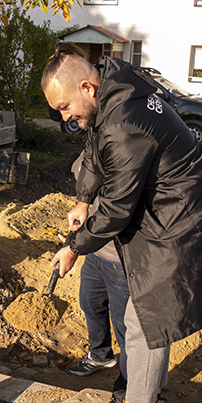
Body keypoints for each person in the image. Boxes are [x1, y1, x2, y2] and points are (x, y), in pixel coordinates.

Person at [43, 43, 202, 403]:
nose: (65, 116)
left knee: (147, 316)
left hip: (182, 221)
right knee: (147, 318)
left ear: (87, 88)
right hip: (166, 211)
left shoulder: (126, 124)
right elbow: (92, 151)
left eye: (64, 106)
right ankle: (148, 393)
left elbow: (119, 209)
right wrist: (83, 200)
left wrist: (74, 247)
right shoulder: (112, 96)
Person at [68, 152, 129, 379]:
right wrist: (83, 204)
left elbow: (114, 212)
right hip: (96, 251)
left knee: (125, 323)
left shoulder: (128, 152)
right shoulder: (96, 141)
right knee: (91, 303)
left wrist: (73, 250)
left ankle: (131, 380)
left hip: (122, 259)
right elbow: (82, 173)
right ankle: (100, 354)